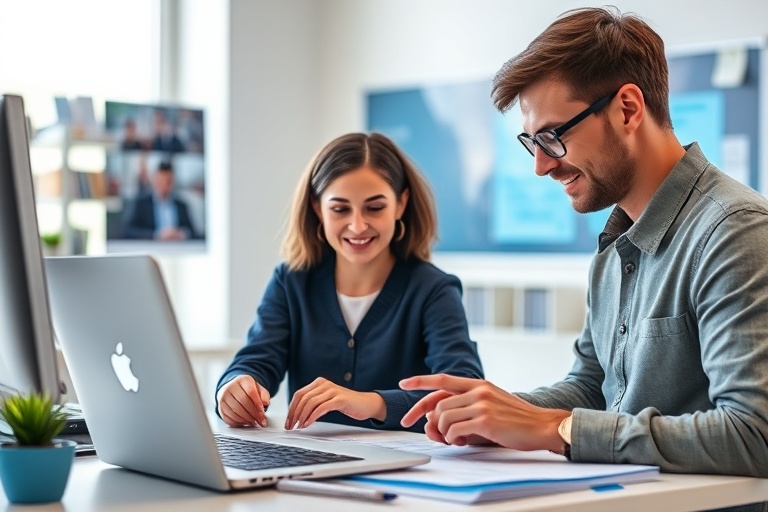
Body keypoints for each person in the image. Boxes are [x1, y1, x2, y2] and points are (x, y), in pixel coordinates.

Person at [399, 5, 768, 491]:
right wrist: (495, 410)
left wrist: (554, 429)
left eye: (553, 137)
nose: (541, 167)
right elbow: (593, 387)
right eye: (532, 143)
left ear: (628, 109)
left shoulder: (733, 232)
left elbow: (753, 434)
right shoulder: (615, 246)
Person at [215, 132, 484, 433]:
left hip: (404, 469)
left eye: (375, 207)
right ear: (318, 209)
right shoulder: (291, 282)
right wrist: (235, 388)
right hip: (309, 466)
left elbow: (465, 394)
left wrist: (368, 402)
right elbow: (255, 362)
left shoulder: (433, 290)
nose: (357, 225)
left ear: (400, 204)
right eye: (340, 209)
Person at [123, 160, 198, 240]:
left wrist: (182, 234)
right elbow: (129, 231)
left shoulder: (181, 206)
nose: (165, 185)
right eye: (162, 180)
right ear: (155, 180)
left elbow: (193, 232)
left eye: (168, 181)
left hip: (179, 249)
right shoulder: (142, 204)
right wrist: (156, 235)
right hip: (151, 249)